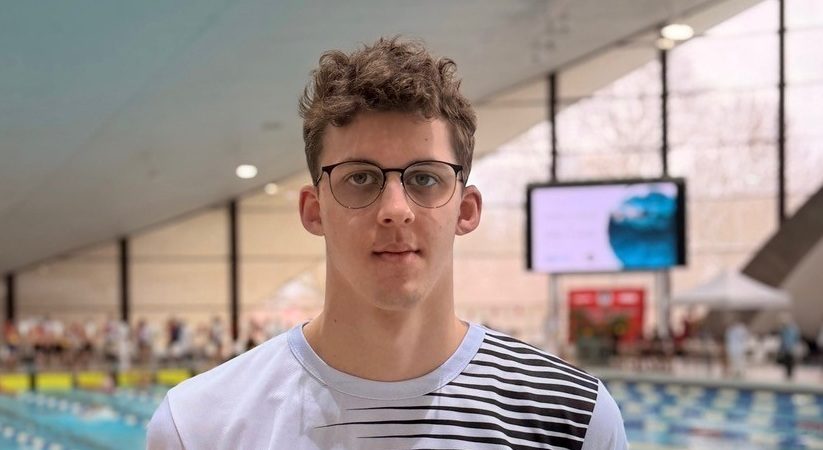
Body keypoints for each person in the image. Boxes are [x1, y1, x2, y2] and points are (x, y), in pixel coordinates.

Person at [147, 37, 627, 450]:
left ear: (466, 210)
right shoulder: (199, 425)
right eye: (360, 177)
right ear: (313, 210)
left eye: (425, 178)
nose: (395, 208)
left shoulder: (572, 417)